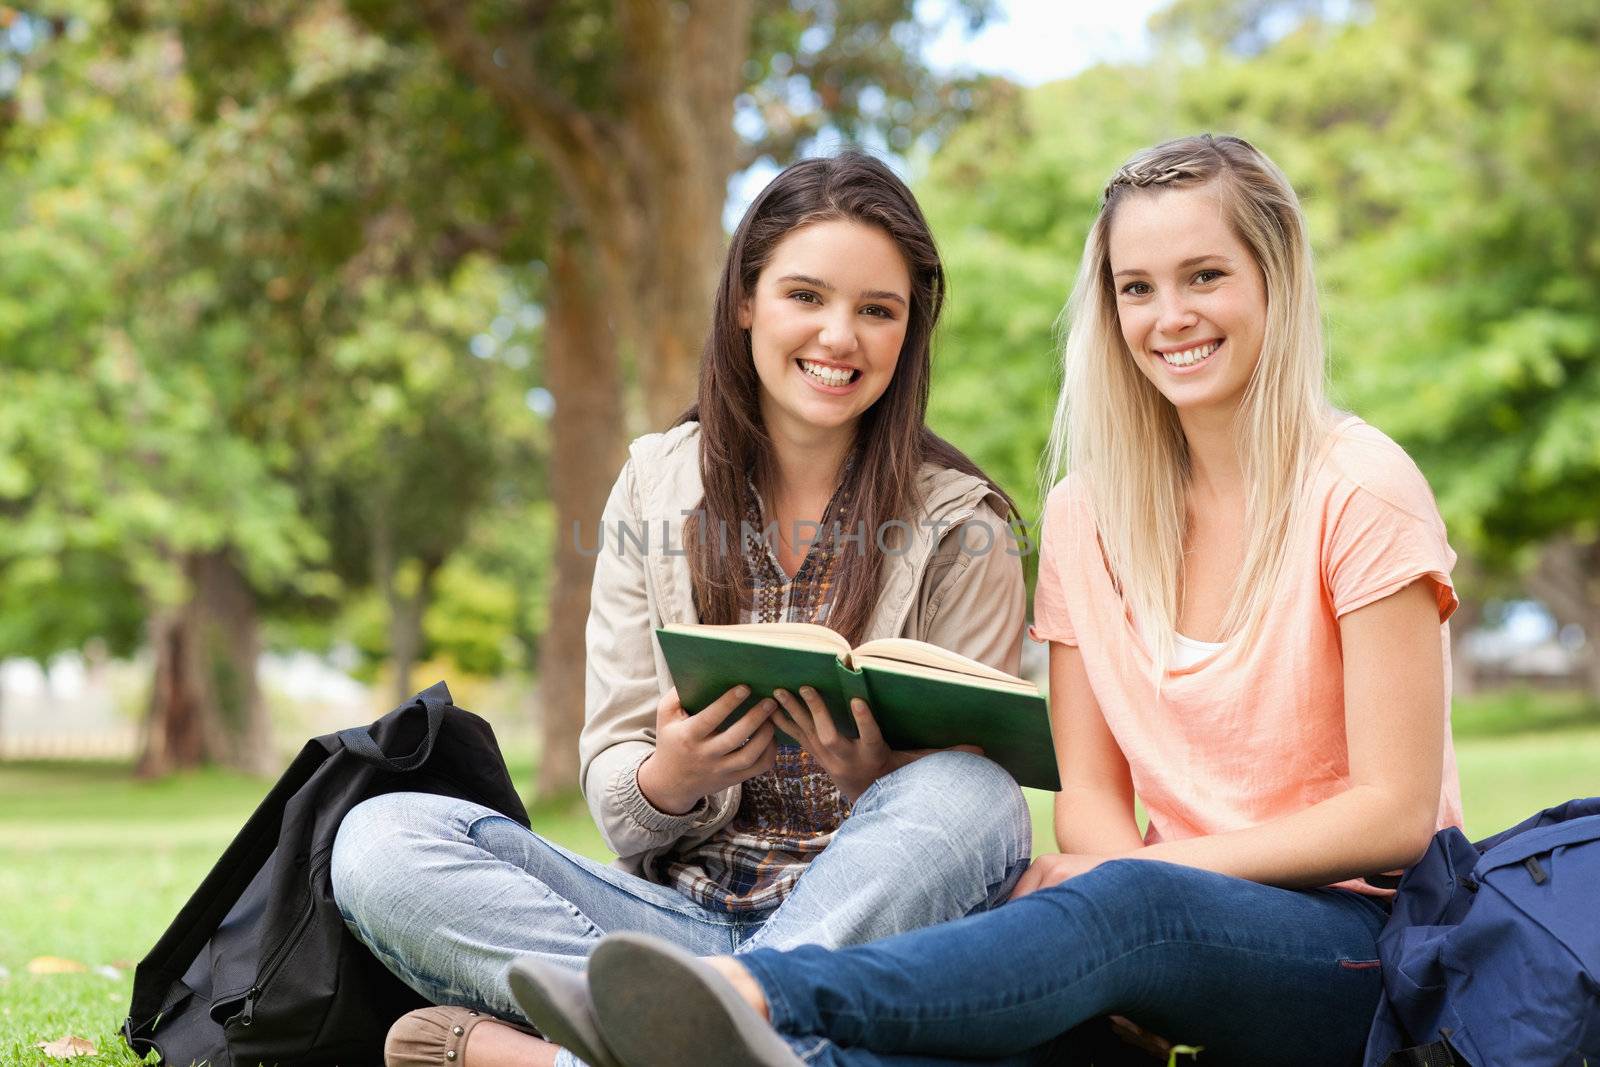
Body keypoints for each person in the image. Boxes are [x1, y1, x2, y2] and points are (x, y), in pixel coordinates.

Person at [551, 133, 1465, 1067]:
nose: (1170, 316)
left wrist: (1138, 878)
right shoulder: (1087, 514)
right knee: (973, 1039)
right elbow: (1091, 800)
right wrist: (1126, 882)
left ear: (1276, 280)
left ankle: (757, 993)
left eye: (1205, 276)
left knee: (1092, 898)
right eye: (1136, 287)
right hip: (1151, 917)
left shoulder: (1361, 487)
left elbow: (1393, 813)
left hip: (1357, 935)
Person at [330, 151, 1035, 1067]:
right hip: (674, 920)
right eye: (806, 297)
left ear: (910, 330)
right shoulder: (655, 489)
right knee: (381, 837)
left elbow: (956, 834)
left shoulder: (963, 524)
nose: (839, 336)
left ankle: (607, 1051)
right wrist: (673, 772)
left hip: (865, 940)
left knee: (973, 794)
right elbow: (617, 785)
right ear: (746, 300)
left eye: (877, 310)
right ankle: (719, 1035)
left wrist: (873, 779)